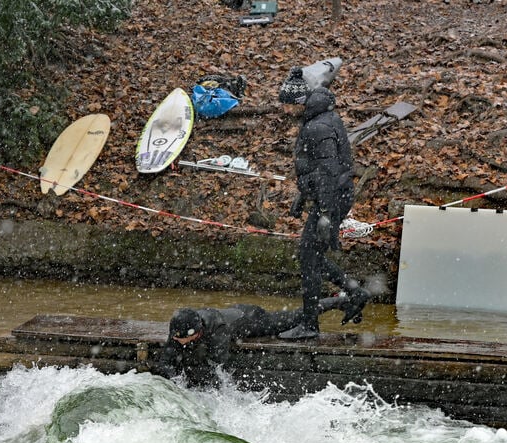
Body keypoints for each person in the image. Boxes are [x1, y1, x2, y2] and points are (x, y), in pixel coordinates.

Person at [279, 86, 370, 340]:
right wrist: (303, 196)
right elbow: (316, 168)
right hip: (330, 197)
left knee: (309, 259)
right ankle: (354, 292)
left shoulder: (317, 127)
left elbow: (329, 172)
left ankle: (310, 325)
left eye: (287, 105)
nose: (285, 110)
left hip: (332, 199)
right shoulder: (320, 118)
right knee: (311, 255)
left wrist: (326, 213)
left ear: (298, 102)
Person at [155, 298, 349, 388]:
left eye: (179, 338)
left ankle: (338, 301)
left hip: (253, 319)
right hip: (233, 310)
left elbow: (219, 366)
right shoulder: (180, 330)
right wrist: (175, 383)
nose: (174, 340)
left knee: (294, 317)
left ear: (194, 333)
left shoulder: (217, 332)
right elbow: (165, 361)